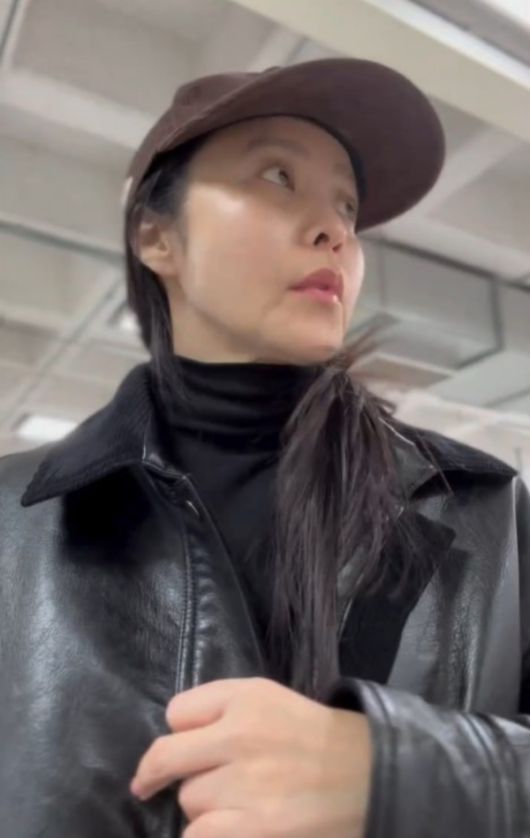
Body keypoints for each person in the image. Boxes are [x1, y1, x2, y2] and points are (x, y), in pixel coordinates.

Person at [0, 57, 529, 838]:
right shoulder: (13, 523)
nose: (335, 229)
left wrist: (406, 773)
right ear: (156, 236)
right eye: (278, 176)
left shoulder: (487, 513)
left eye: (347, 205)